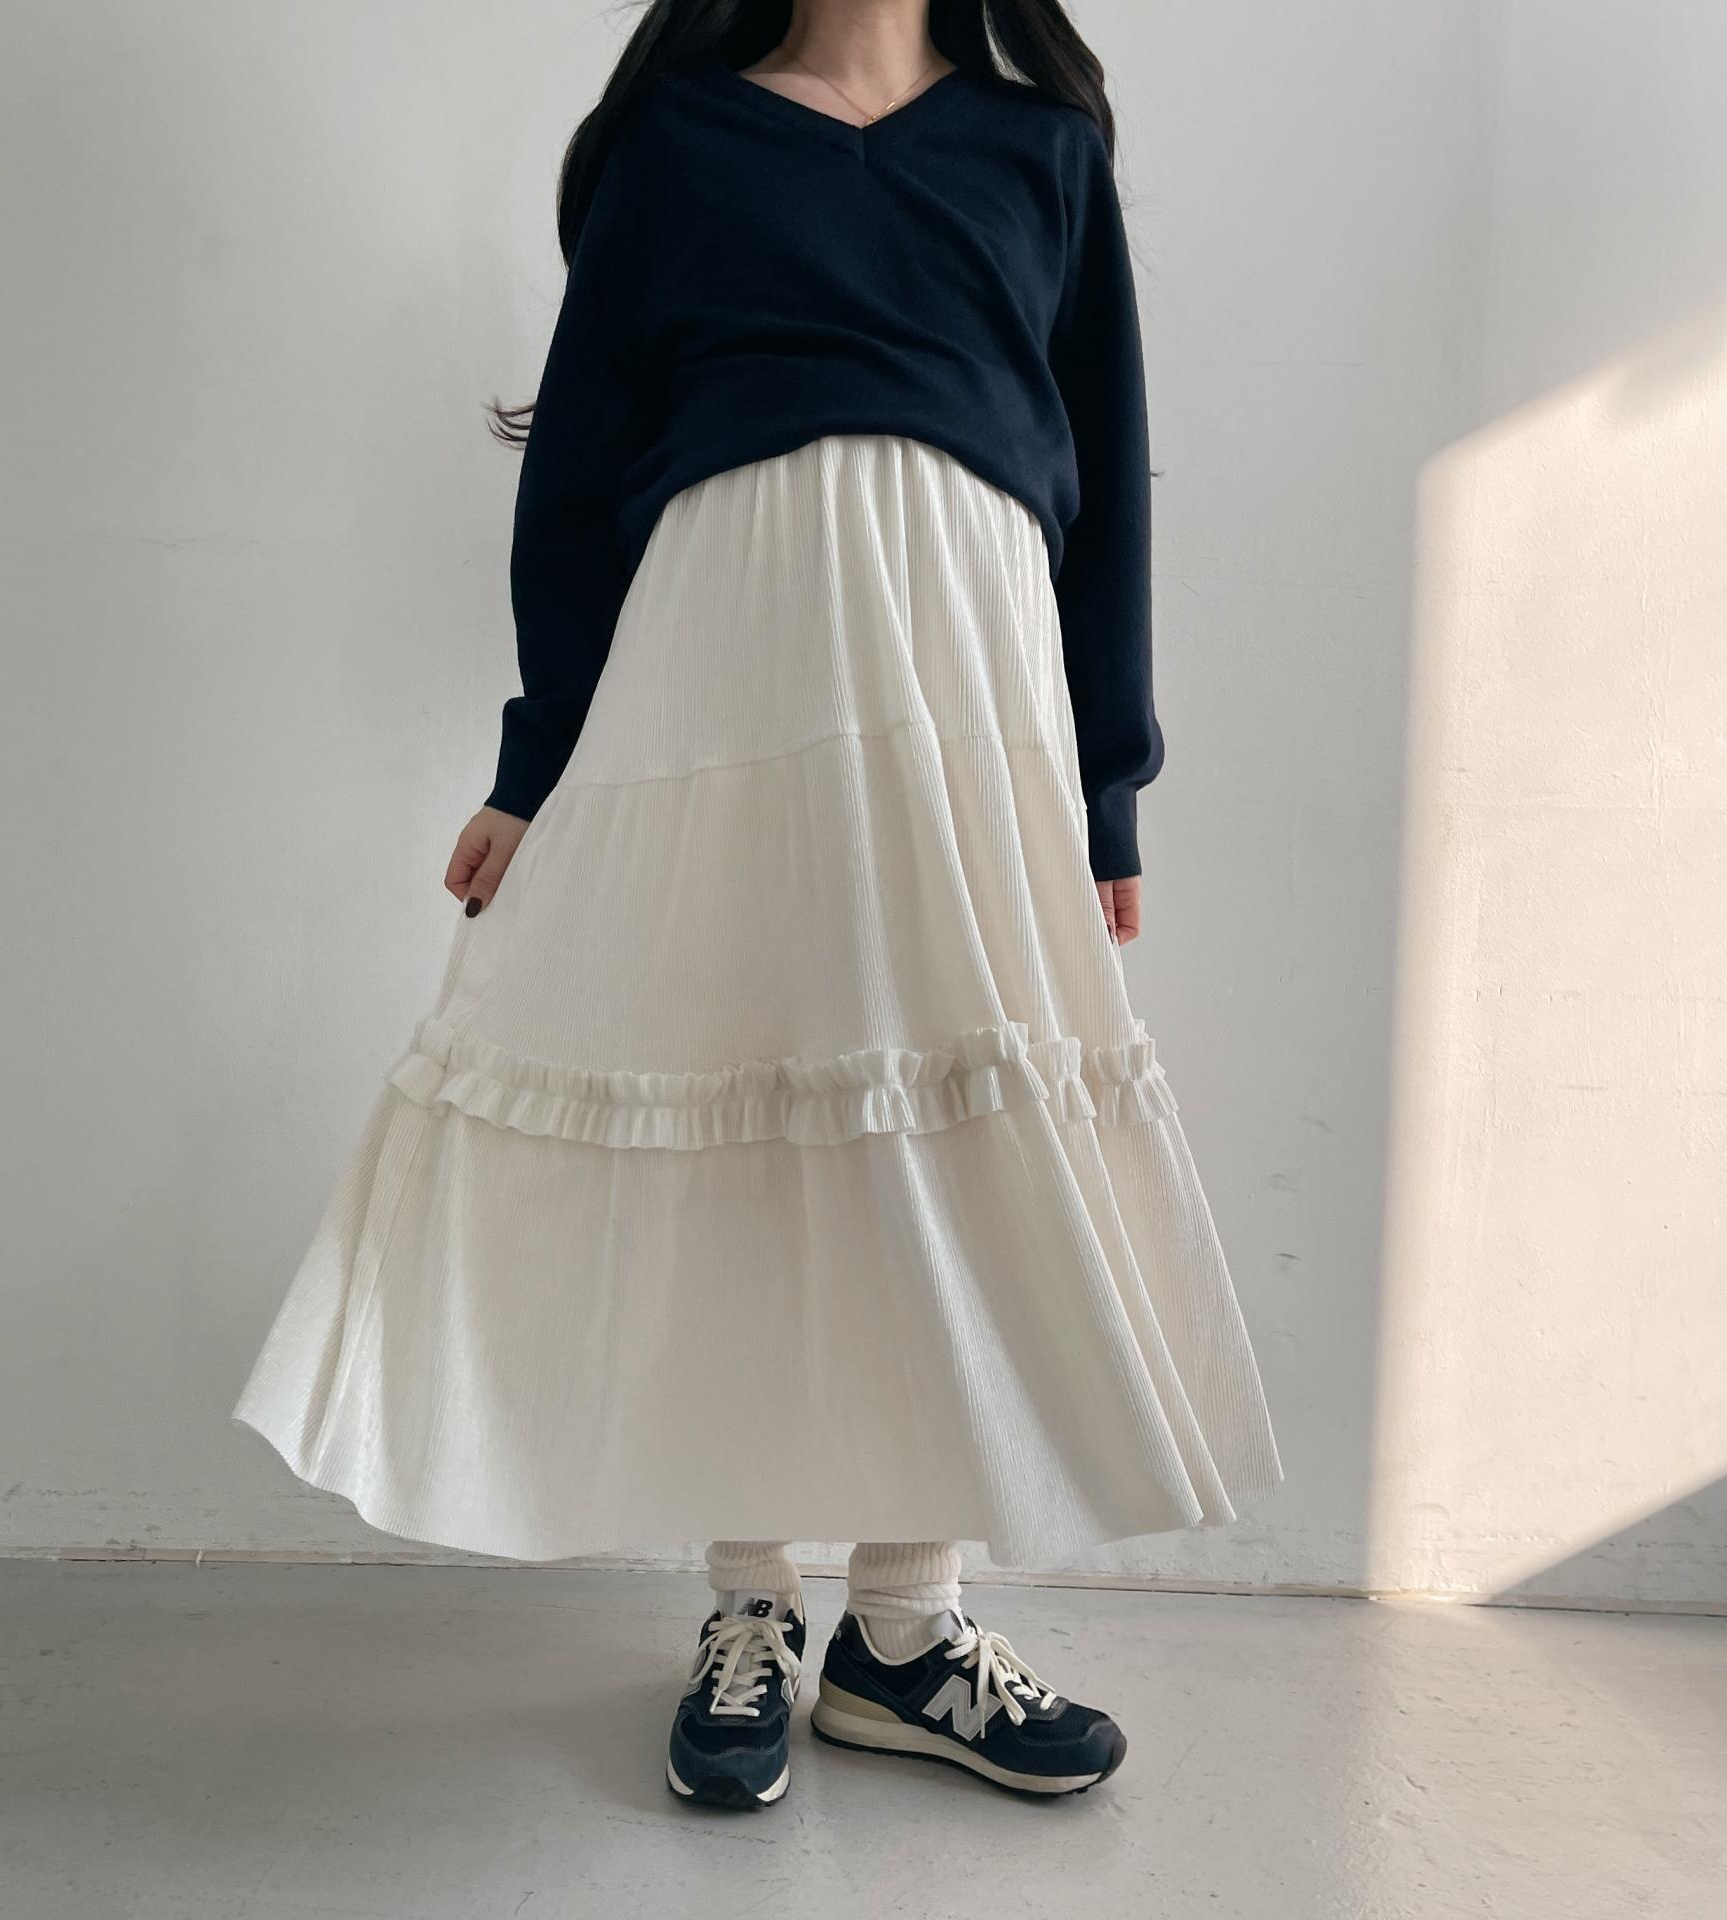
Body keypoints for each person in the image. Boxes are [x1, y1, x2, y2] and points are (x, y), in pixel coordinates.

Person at [235, 0, 1281, 1810]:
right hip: (719, 672)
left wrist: (1108, 781)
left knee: (946, 1128)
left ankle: (906, 1629)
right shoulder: (682, 144)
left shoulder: (1041, 152)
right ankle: (750, 1607)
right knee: (734, 1088)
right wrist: (536, 764)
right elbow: (581, 480)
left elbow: (1104, 485)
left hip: (967, 684)